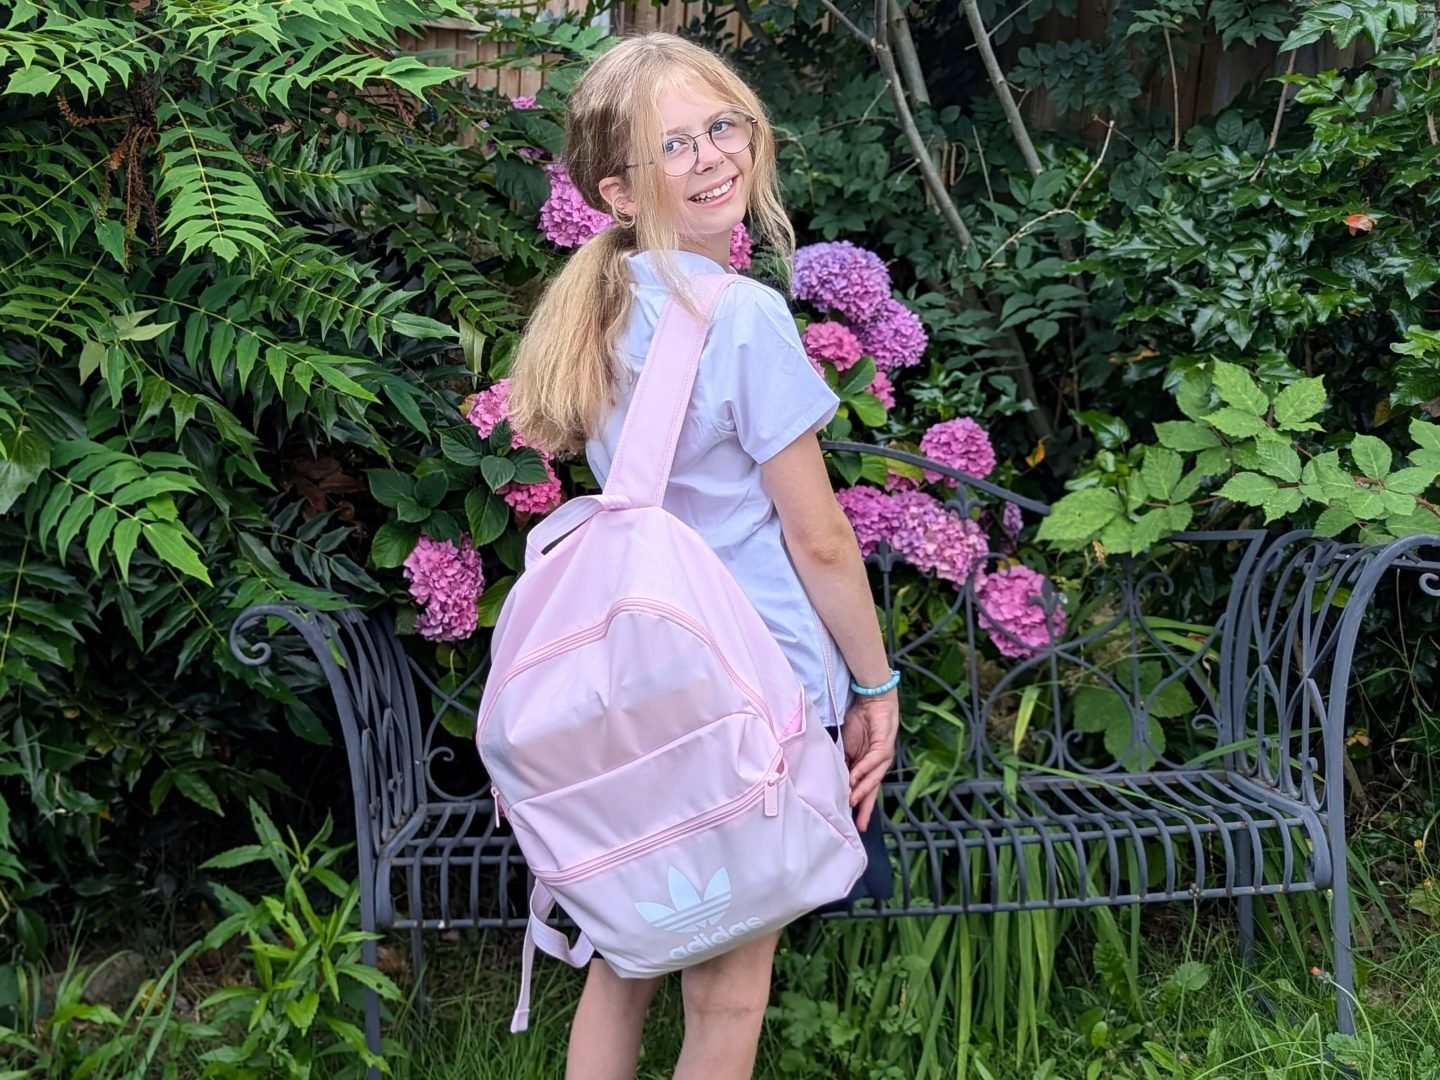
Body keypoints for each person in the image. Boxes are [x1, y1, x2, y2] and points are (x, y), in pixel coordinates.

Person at [506, 31, 900, 1080]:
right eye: (672, 146)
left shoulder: (596, 307)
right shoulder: (743, 317)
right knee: (727, 994)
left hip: (637, 687)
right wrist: (875, 681)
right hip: (746, 687)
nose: (715, 155)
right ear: (617, 191)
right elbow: (817, 537)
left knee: (628, 955)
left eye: (722, 124)